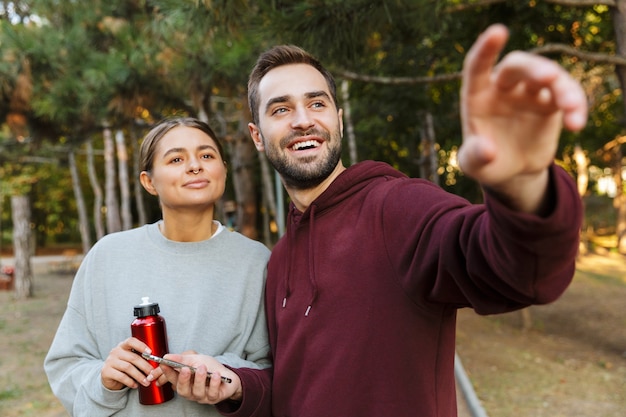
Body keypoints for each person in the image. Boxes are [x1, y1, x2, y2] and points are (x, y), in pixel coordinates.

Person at [160, 24, 588, 417]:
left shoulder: (397, 208)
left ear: (338, 119)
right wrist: (236, 387)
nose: (303, 119)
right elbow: (295, 389)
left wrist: (524, 184)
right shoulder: (281, 259)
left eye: (316, 103)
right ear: (257, 136)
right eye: (280, 110)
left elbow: (513, 268)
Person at [44, 117, 271, 417]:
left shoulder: (257, 262)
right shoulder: (107, 257)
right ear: (149, 182)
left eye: (207, 155)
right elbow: (65, 365)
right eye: (176, 158)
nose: (195, 166)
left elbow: (275, 371)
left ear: (224, 170)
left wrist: (228, 377)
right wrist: (104, 381)